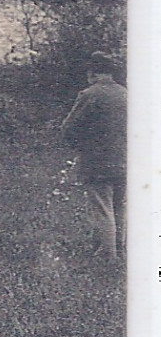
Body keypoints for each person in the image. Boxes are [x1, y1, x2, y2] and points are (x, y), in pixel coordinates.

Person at [61, 52, 126, 262]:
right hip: (126, 160)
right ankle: (117, 249)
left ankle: (107, 256)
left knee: (100, 207)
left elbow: (69, 128)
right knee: (118, 206)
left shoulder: (90, 94)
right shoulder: (126, 94)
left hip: (97, 160)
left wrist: (80, 146)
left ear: (93, 72)